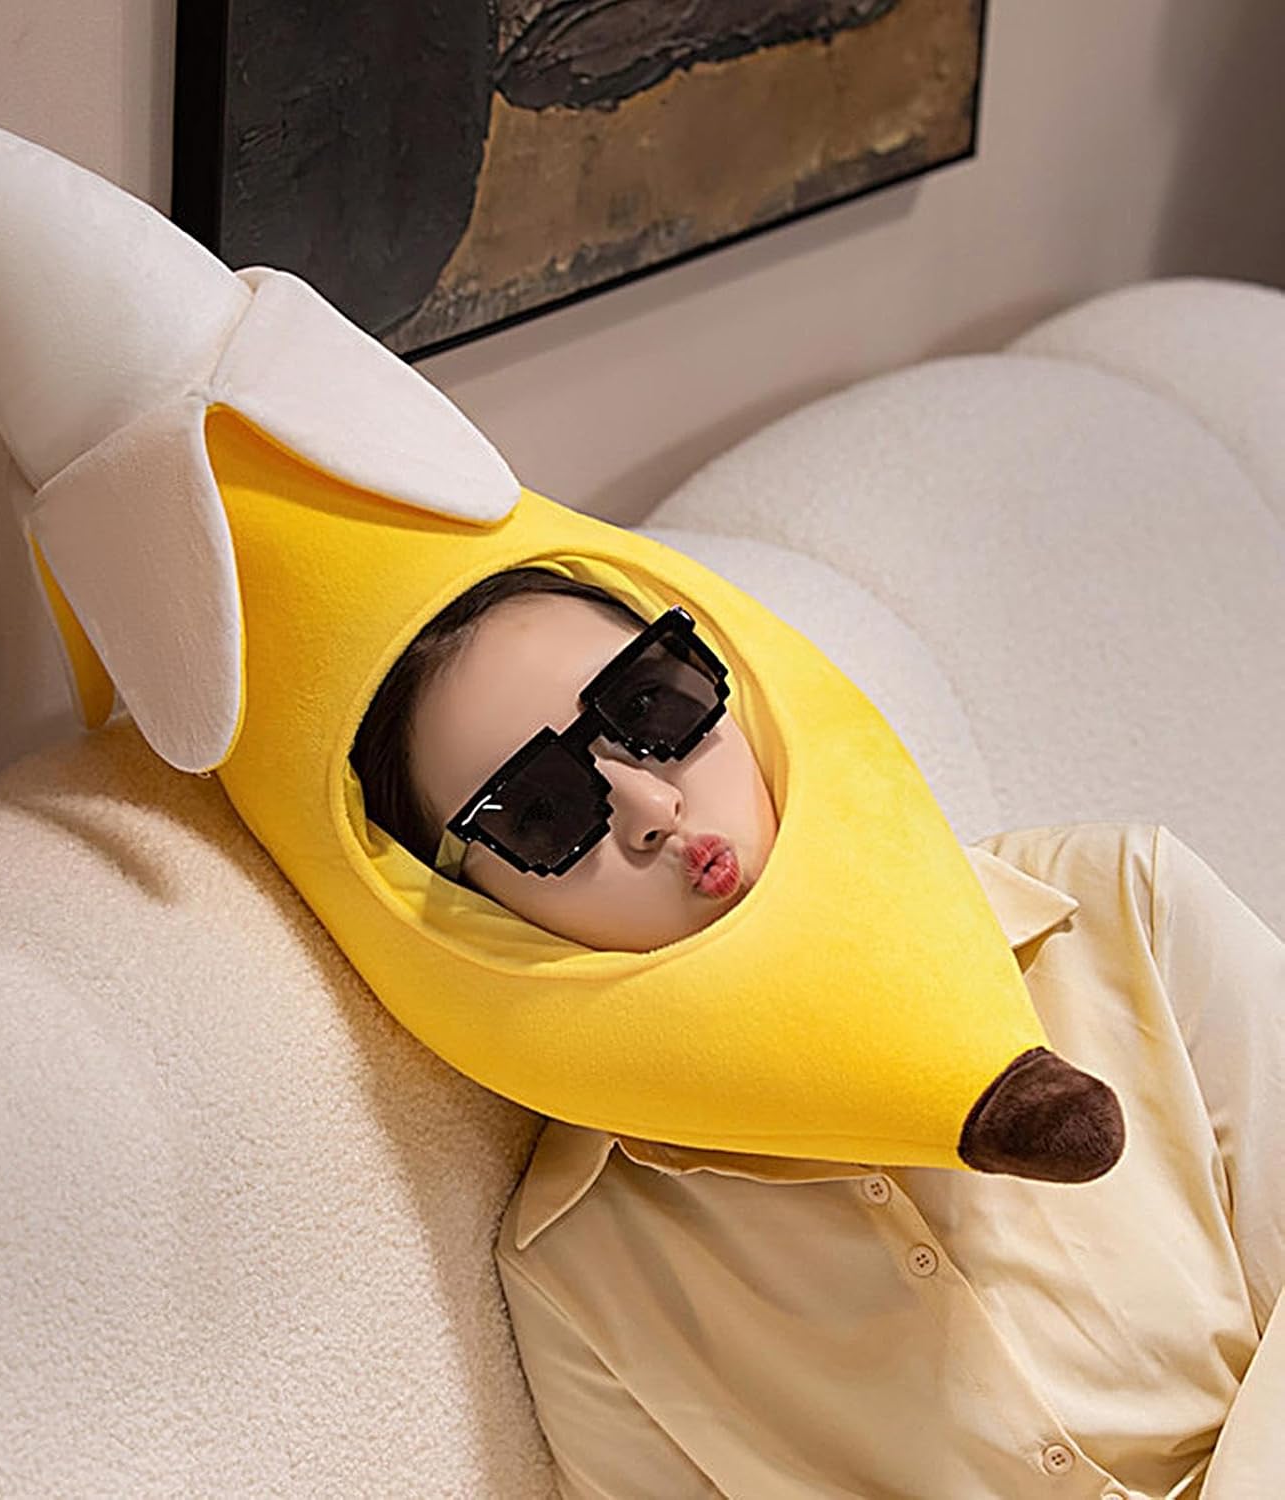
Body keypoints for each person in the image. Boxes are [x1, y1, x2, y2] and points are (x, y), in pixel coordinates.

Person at [350, 565, 1285, 1500]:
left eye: (648, 704)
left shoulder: (1122, 905)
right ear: (477, 913)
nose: (651, 808)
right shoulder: (577, 1270)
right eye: (543, 811)